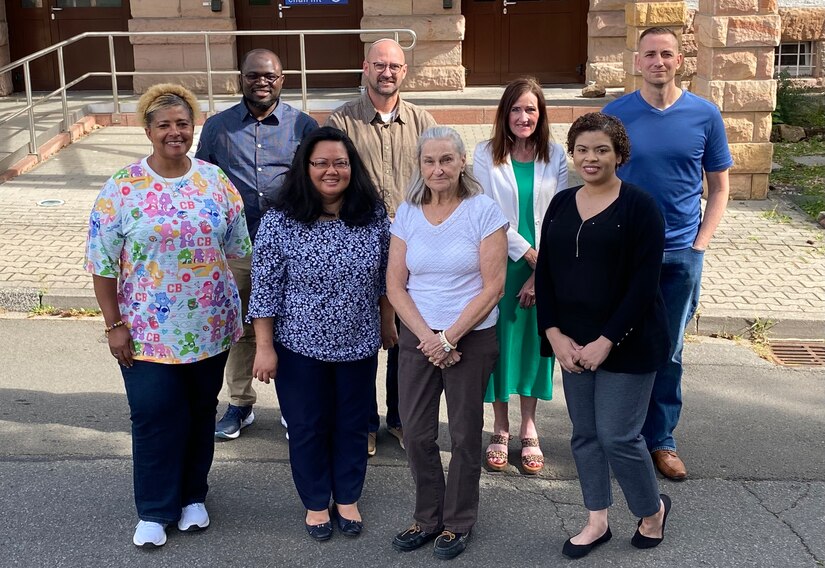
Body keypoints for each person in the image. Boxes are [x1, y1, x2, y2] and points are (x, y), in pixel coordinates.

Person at [84, 84, 251, 548]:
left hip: (210, 326)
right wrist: (113, 324)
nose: (175, 132)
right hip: (146, 331)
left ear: (193, 127)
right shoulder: (122, 186)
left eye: (183, 123)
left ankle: (194, 495)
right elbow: (101, 262)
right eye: (164, 125)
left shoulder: (215, 181)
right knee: (154, 414)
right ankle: (156, 509)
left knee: (201, 412)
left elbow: (238, 249)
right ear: (148, 131)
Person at [535, 112, 671, 559]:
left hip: (627, 341)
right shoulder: (560, 203)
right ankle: (597, 520)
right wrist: (552, 333)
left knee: (618, 435)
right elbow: (548, 275)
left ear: (619, 155)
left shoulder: (640, 207)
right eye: (582, 149)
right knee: (585, 434)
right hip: (572, 341)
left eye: (601, 150)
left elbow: (644, 284)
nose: (590, 158)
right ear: (571, 154)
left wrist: (607, 340)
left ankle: (651, 511)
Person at [247, 127, 391, 541]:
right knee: (307, 426)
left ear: (352, 168)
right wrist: (264, 347)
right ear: (305, 168)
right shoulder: (281, 220)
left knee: (351, 425)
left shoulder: (372, 215)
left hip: (358, 344)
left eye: (340, 163)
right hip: (298, 348)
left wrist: (386, 323)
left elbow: (386, 278)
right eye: (321, 163)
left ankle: (347, 498)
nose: (332, 171)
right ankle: (315, 502)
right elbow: (265, 288)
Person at [602, 27, 733, 481]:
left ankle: (661, 441)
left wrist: (700, 246)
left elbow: (719, 187)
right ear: (636, 61)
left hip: (680, 253)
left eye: (667, 54)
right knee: (615, 342)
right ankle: (620, 436)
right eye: (650, 54)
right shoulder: (614, 115)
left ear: (680, 61)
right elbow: (596, 179)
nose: (658, 62)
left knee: (668, 351)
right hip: (623, 254)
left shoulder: (704, 115)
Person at [387, 126, 508, 560]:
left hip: (470, 338)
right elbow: (395, 285)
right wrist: (428, 338)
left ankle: (458, 522)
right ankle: (427, 516)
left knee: (462, 435)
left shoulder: (483, 211)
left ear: (461, 163)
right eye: (429, 161)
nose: (437, 169)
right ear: (419, 166)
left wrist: (450, 337)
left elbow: (493, 286)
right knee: (416, 433)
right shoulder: (407, 212)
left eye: (446, 160)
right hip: (420, 339)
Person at [196, 48, 318, 440]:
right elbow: (203, 184)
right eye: (253, 75)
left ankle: (291, 406)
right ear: (241, 78)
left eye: (270, 75)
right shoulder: (217, 127)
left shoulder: (304, 125)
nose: (261, 81)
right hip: (237, 249)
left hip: (293, 247)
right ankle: (239, 404)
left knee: (293, 327)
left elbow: (318, 181)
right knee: (240, 328)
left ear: (282, 79)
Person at [326, 38, 436, 457]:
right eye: (379, 65)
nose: (387, 72)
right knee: (361, 334)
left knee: (407, 337)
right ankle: (363, 422)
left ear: (404, 72)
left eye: (395, 66)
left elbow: (442, 178)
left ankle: (401, 418)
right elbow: (330, 177)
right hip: (358, 242)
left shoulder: (424, 121)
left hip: (415, 244)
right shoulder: (342, 120)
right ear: (365, 67)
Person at [473, 77, 568, 475]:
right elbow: (486, 211)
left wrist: (539, 270)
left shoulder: (556, 155)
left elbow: (562, 213)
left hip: (546, 264)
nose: (523, 117)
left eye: (531, 109)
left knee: (533, 343)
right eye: (516, 109)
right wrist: (527, 254)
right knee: (501, 343)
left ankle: (529, 427)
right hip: (501, 261)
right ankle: (499, 427)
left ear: (541, 114)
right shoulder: (485, 154)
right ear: (504, 114)